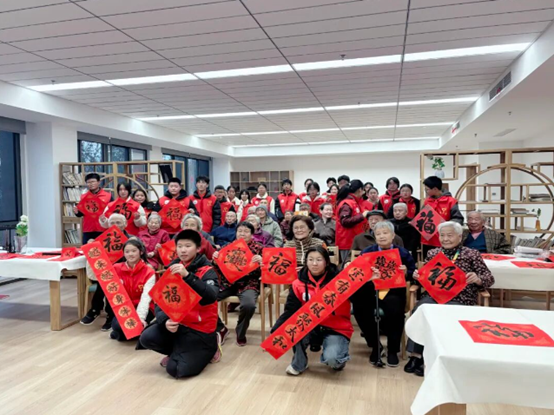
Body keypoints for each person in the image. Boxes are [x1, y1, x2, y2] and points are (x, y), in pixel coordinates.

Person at [404, 221, 495, 377]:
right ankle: (416, 355)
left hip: (461, 298)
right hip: (434, 296)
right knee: (420, 310)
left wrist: (478, 279)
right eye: (442, 235)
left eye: (450, 235)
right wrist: (417, 276)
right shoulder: (433, 253)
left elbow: (489, 278)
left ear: (459, 236)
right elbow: (425, 277)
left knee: (448, 314)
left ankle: (444, 356)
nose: (445, 239)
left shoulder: (471, 254)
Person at [138, 229, 220, 378]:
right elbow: (159, 301)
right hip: (178, 324)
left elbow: (211, 297)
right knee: (146, 338)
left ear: (198, 248)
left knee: (176, 370)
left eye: (188, 246)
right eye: (180, 246)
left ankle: (212, 345)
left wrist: (188, 276)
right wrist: (165, 320)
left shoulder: (207, 271)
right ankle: (177, 351)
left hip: (199, 329)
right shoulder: (172, 268)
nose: (183, 250)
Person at [273, 246, 352, 376]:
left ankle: (339, 358)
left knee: (333, 361)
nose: (314, 263)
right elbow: (290, 310)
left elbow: (359, 299)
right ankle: (299, 363)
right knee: (293, 328)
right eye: (310, 259)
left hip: (335, 327)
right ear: (306, 261)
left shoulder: (340, 281)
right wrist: (275, 331)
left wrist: (368, 283)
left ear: (326, 262)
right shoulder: (298, 284)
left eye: (319, 260)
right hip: (309, 325)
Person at [351, 221, 415, 367]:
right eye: (378, 234)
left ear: (393, 235)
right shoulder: (368, 252)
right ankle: (376, 346)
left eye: (385, 233)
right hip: (371, 290)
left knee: (395, 309)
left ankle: (393, 350)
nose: (381, 236)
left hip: (393, 290)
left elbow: (413, 272)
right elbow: (358, 272)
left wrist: (406, 272)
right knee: (359, 306)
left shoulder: (402, 253)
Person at [213, 221, 263, 347]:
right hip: (228, 283)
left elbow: (268, 269)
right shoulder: (228, 247)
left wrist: (262, 262)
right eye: (240, 231)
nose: (242, 234)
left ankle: (240, 332)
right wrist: (215, 260)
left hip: (249, 283)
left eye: (246, 231)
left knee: (249, 305)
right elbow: (218, 269)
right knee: (205, 298)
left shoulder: (259, 248)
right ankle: (221, 328)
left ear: (252, 234)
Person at [80, 213, 131, 330]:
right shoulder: (102, 239)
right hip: (106, 273)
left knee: (107, 281)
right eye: (112, 223)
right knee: (106, 280)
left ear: (125, 224)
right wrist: (91, 244)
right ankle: (108, 314)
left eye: (118, 223)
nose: (115, 225)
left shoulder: (130, 239)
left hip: (124, 272)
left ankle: (96, 310)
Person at [110, 239, 156, 341]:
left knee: (134, 328)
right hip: (125, 307)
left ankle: (126, 333)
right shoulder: (116, 268)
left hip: (145, 308)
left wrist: (140, 318)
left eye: (134, 251)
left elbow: (146, 298)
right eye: (127, 251)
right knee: (118, 326)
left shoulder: (149, 272)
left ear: (141, 252)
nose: (130, 254)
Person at [422, 176, 464, 248]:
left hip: (445, 239)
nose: (426, 191)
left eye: (427, 189)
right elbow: (422, 216)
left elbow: (458, 218)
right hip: (429, 239)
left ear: (435, 189)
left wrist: (445, 225)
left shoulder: (451, 201)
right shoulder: (427, 201)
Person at [335, 180, 371, 263]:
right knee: (347, 266)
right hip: (347, 242)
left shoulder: (354, 202)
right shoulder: (347, 203)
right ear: (360, 190)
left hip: (353, 240)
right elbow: (344, 221)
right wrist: (362, 216)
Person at [74, 173, 113, 245]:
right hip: (88, 229)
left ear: (99, 182)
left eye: (93, 181)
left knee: (103, 249)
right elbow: (81, 213)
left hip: (103, 228)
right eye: (88, 182)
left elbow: (112, 211)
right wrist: (77, 212)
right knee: (87, 249)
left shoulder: (108, 196)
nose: (91, 184)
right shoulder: (84, 197)